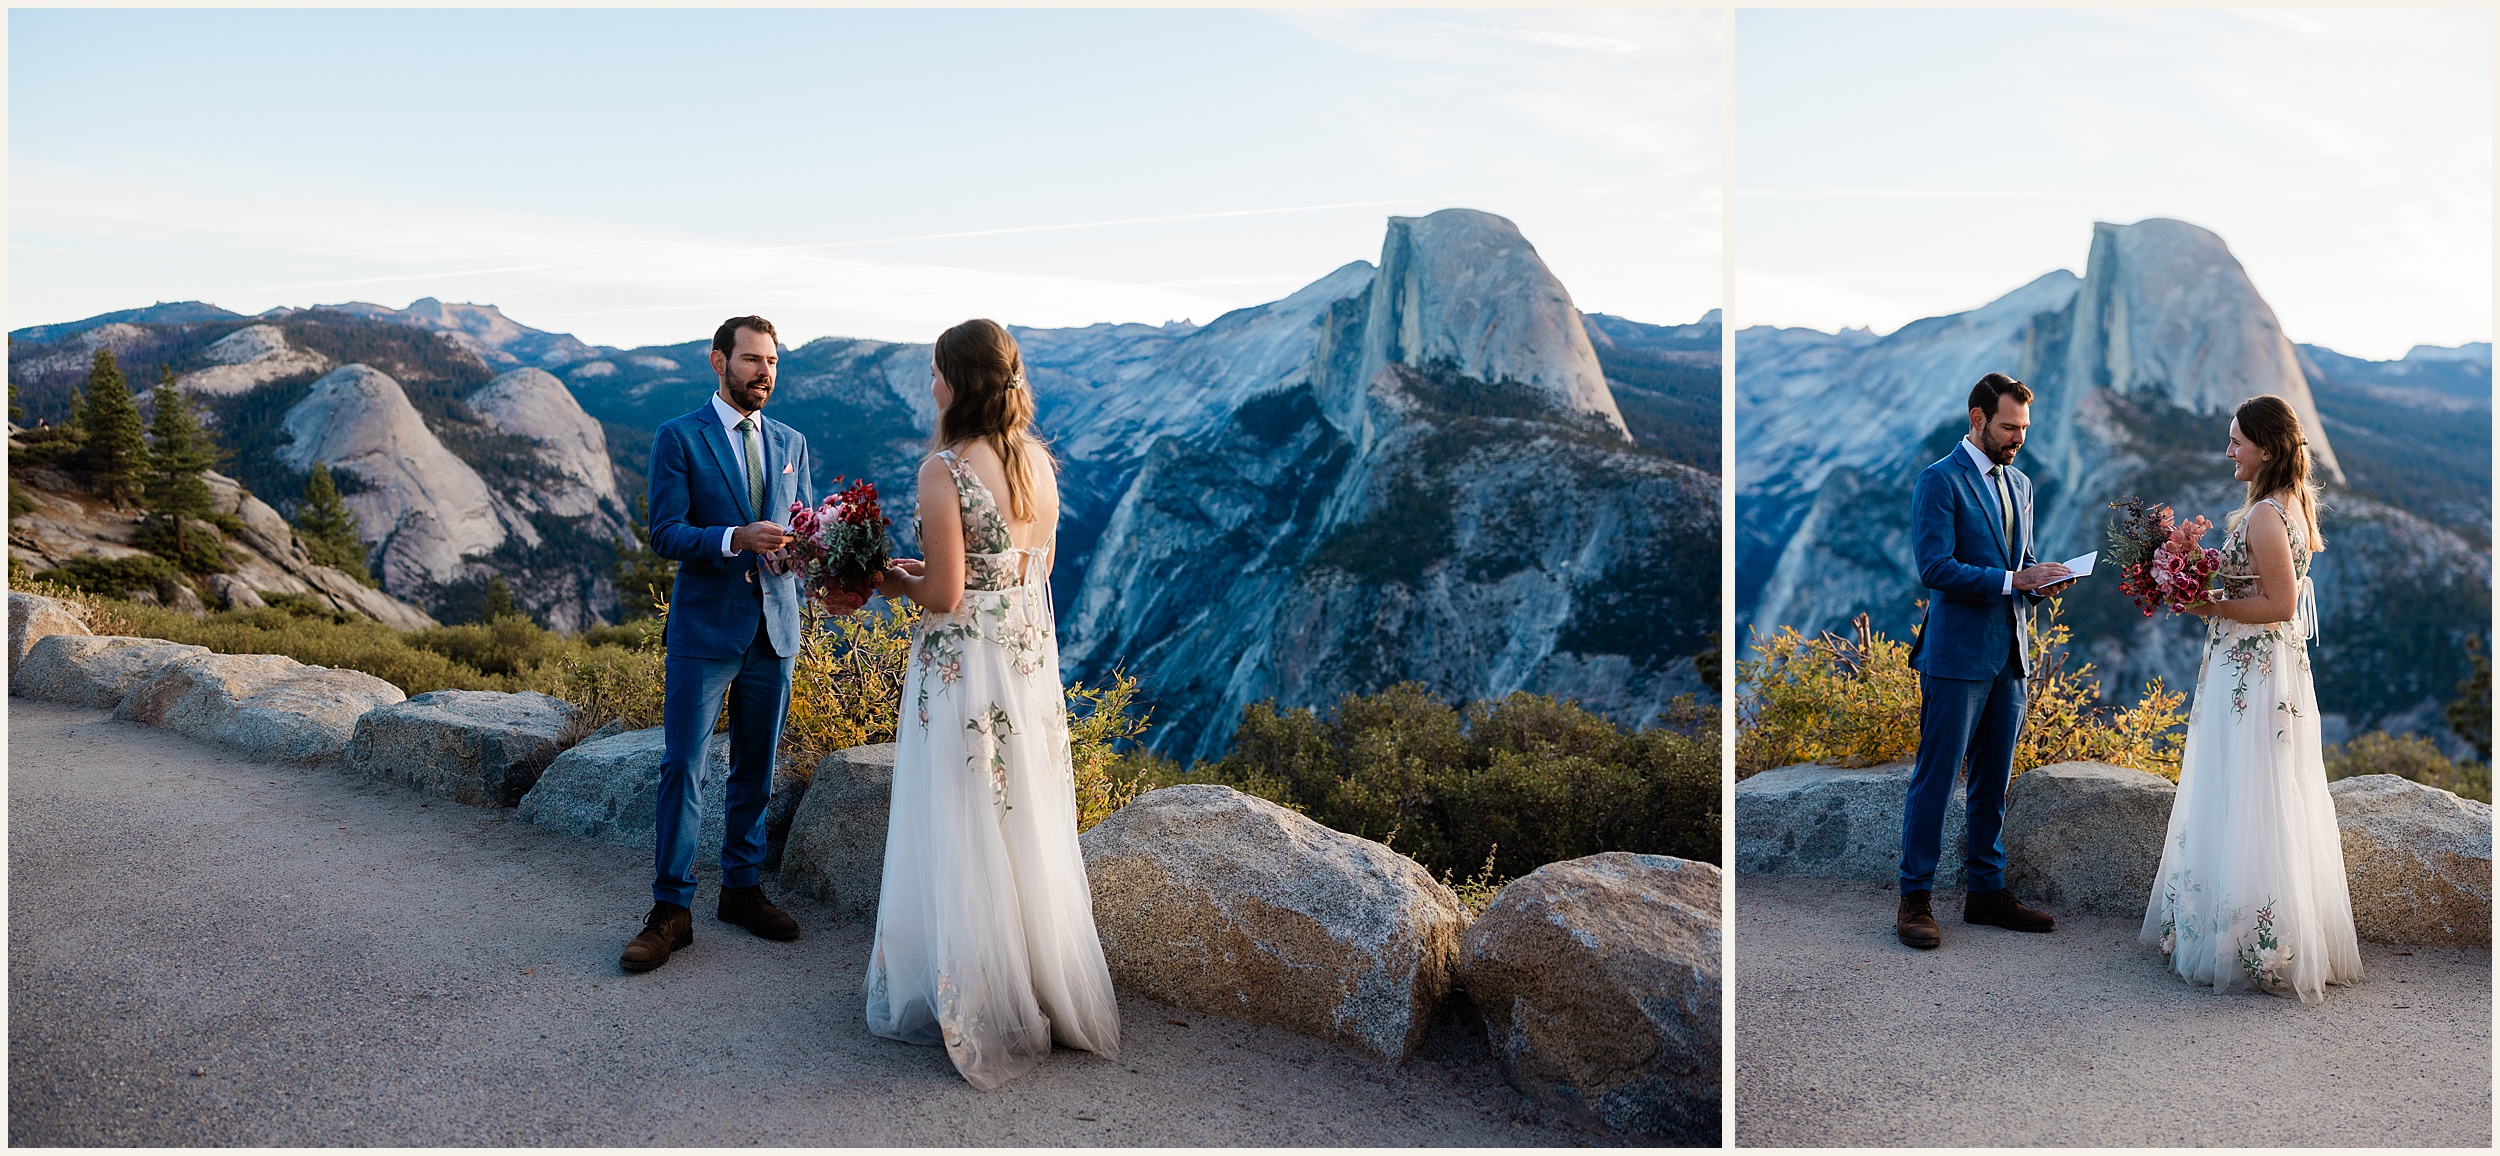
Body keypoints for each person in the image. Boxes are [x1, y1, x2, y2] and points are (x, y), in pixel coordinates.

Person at [867, 317, 1121, 1090]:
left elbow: (944, 595)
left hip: (963, 672)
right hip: (1023, 667)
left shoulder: (944, 469)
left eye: (938, 372)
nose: (931, 385)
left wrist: (889, 581)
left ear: (962, 381)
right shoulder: (1037, 465)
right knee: (1020, 819)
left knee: (957, 816)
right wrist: (935, 571)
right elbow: (1013, 572)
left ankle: (971, 995)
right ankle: (1039, 987)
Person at [2142, 395, 2363, 1004]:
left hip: (2253, 673)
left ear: (2266, 447)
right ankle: (2254, 934)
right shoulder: (2289, 505)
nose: (2228, 451)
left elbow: (2280, 605)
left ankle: (2246, 939)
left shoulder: (2266, 514)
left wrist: (2205, 603)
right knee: (2261, 791)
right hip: (2264, 671)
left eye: (2237, 440)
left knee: (2245, 786)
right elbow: (2267, 586)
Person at [618, 315, 816, 973]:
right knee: (683, 767)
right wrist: (735, 538)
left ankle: (742, 889)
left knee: (756, 768)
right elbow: (666, 532)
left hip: (774, 629)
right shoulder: (679, 437)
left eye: (773, 363)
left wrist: (805, 556)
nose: (765, 373)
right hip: (705, 632)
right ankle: (671, 909)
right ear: (718, 362)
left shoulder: (792, 441)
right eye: (753, 360)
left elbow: (804, 531)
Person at [1897, 372, 2074, 949]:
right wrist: (2011, 578)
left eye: (2023, 428)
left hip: (2011, 653)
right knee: (1936, 777)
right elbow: (1934, 568)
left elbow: (2017, 560)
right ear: (1977, 418)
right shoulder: (1938, 481)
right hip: (1955, 655)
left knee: (1993, 780)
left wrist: (2040, 578)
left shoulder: (2021, 483)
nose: (2018, 438)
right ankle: (1914, 899)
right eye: (2008, 427)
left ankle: (1986, 893)